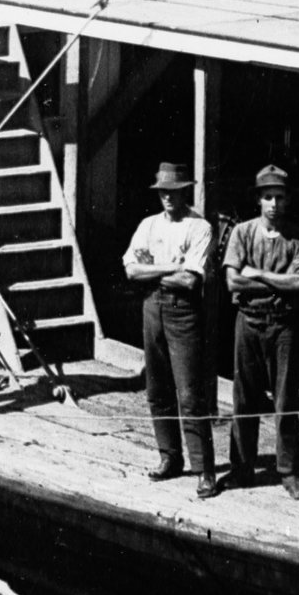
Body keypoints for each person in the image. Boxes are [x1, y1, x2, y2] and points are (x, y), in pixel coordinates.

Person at [123, 162, 219, 498]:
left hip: (183, 311)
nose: (167, 197)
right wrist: (169, 267)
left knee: (190, 394)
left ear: (185, 191)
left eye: (174, 191)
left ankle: (204, 469)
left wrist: (151, 271)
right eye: (163, 191)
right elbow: (131, 270)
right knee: (157, 388)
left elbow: (190, 279)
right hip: (152, 308)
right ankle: (170, 457)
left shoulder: (200, 227)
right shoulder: (148, 225)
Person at [224, 165, 299, 498]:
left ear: (287, 199)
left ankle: (289, 471)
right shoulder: (242, 233)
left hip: (284, 325)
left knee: (285, 398)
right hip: (249, 321)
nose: (274, 204)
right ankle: (242, 467)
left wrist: (259, 274)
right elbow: (233, 281)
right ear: (258, 200)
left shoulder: (298, 237)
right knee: (244, 397)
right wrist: (280, 282)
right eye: (268, 197)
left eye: (279, 197)